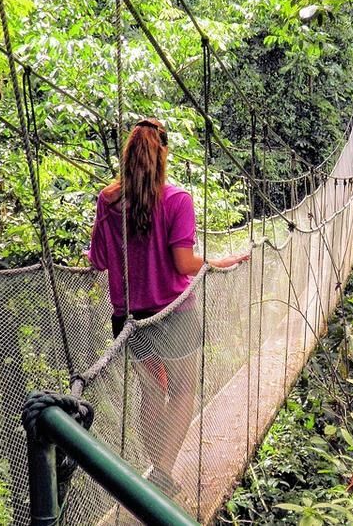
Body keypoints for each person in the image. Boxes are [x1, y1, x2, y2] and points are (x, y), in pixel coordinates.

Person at [86, 117, 249, 496]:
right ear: (164, 155)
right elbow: (184, 264)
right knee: (182, 390)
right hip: (175, 315)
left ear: (128, 156)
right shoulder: (178, 200)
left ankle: (154, 470)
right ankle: (161, 471)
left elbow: (99, 260)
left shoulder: (108, 201)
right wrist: (221, 261)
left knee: (151, 392)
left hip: (130, 319)